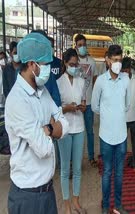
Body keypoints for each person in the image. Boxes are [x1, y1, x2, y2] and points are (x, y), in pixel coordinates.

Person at [5, 32, 69, 214]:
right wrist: (53, 128)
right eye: (45, 64)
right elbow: (43, 149)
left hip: (47, 192)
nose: (49, 68)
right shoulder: (17, 100)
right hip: (28, 198)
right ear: (32, 64)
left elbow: (65, 124)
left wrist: (47, 129)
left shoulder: (43, 92)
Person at [91, 45, 130, 214]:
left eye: (120, 60)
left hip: (121, 135)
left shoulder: (126, 79)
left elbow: (128, 104)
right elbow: (94, 106)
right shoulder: (100, 81)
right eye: (115, 60)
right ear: (107, 61)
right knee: (107, 172)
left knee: (120, 173)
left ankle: (118, 205)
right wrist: (109, 116)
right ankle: (106, 206)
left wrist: (117, 114)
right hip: (106, 135)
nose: (118, 64)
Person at [57, 48, 86, 214]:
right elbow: (56, 109)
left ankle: (76, 200)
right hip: (65, 129)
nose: (74, 67)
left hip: (79, 127)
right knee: (65, 170)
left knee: (77, 168)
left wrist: (82, 107)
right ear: (65, 63)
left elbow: (84, 102)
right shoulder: (58, 82)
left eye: (76, 64)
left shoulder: (81, 81)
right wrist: (67, 108)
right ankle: (66, 203)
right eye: (71, 64)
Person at [75, 34, 97, 167]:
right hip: (76, 104)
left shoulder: (92, 62)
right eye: (79, 45)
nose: (82, 47)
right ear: (76, 47)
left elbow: (94, 81)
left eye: (84, 44)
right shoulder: (73, 62)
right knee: (76, 132)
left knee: (89, 131)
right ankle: (76, 159)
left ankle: (91, 157)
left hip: (88, 103)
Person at [122, 57, 135, 175]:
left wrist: (133, 102)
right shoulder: (119, 80)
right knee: (122, 142)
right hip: (122, 118)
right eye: (123, 70)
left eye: (126, 70)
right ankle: (121, 164)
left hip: (134, 117)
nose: (125, 72)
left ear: (130, 69)